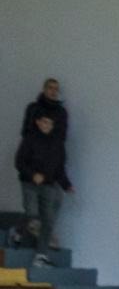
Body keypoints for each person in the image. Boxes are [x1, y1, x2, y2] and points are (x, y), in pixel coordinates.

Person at [15, 78, 71, 261]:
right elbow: (25, 132)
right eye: (50, 88)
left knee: (53, 206)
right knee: (32, 211)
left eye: (56, 89)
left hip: (50, 169)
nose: (53, 91)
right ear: (44, 89)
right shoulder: (33, 108)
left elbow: (62, 136)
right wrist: (32, 170)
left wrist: (66, 183)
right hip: (32, 168)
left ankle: (42, 250)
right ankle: (25, 231)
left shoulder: (61, 112)